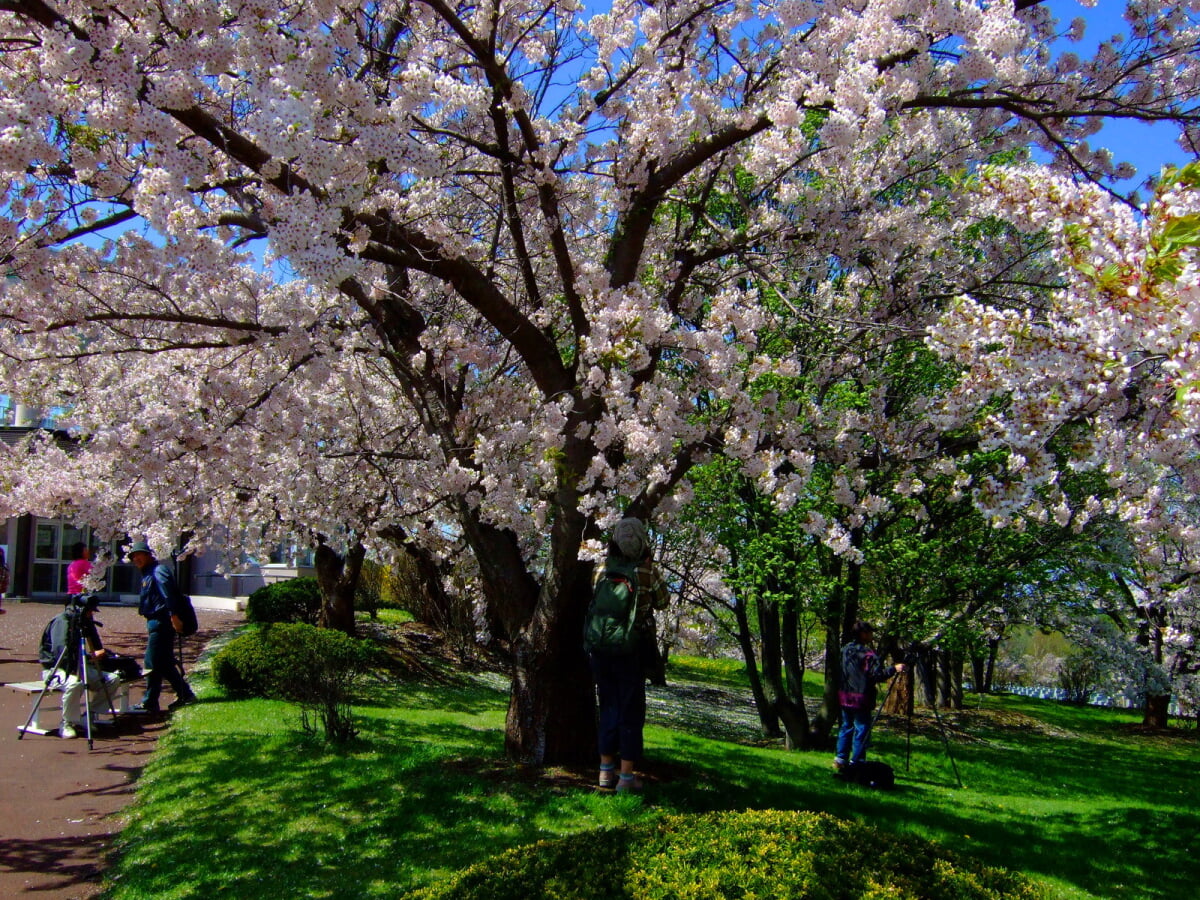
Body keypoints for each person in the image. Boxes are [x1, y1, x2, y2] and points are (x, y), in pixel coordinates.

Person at [588, 516, 669, 793]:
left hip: (601, 648)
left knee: (608, 704)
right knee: (631, 710)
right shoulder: (648, 572)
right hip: (632, 649)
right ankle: (626, 777)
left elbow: (594, 596)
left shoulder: (601, 568)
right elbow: (663, 602)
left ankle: (604, 772)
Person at [38, 595, 130, 738]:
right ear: (81, 609)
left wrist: (97, 652)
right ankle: (66, 723)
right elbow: (61, 653)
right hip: (57, 668)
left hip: (79, 665)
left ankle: (89, 715)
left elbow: (96, 646)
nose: (91, 614)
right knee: (75, 684)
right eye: (90, 611)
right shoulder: (62, 622)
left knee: (112, 679)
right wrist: (86, 660)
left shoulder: (83, 622)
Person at [128, 540, 196, 714]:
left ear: (149, 555)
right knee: (164, 663)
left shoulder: (158, 571)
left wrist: (174, 617)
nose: (136, 559)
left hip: (162, 621)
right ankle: (185, 694)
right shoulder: (147, 574)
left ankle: (150, 701)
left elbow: (169, 594)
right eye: (133, 556)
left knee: (151, 661)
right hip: (154, 621)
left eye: (139, 555)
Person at [834, 620, 904, 772]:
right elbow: (876, 675)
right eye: (870, 632)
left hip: (845, 695)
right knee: (861, 729)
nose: (872, 635)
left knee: (846, 726)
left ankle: (840, 759)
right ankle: (857, 762)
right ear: (863, 634)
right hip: (861, 697)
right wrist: (893, 669)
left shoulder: (846, 650)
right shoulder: (869, 655)